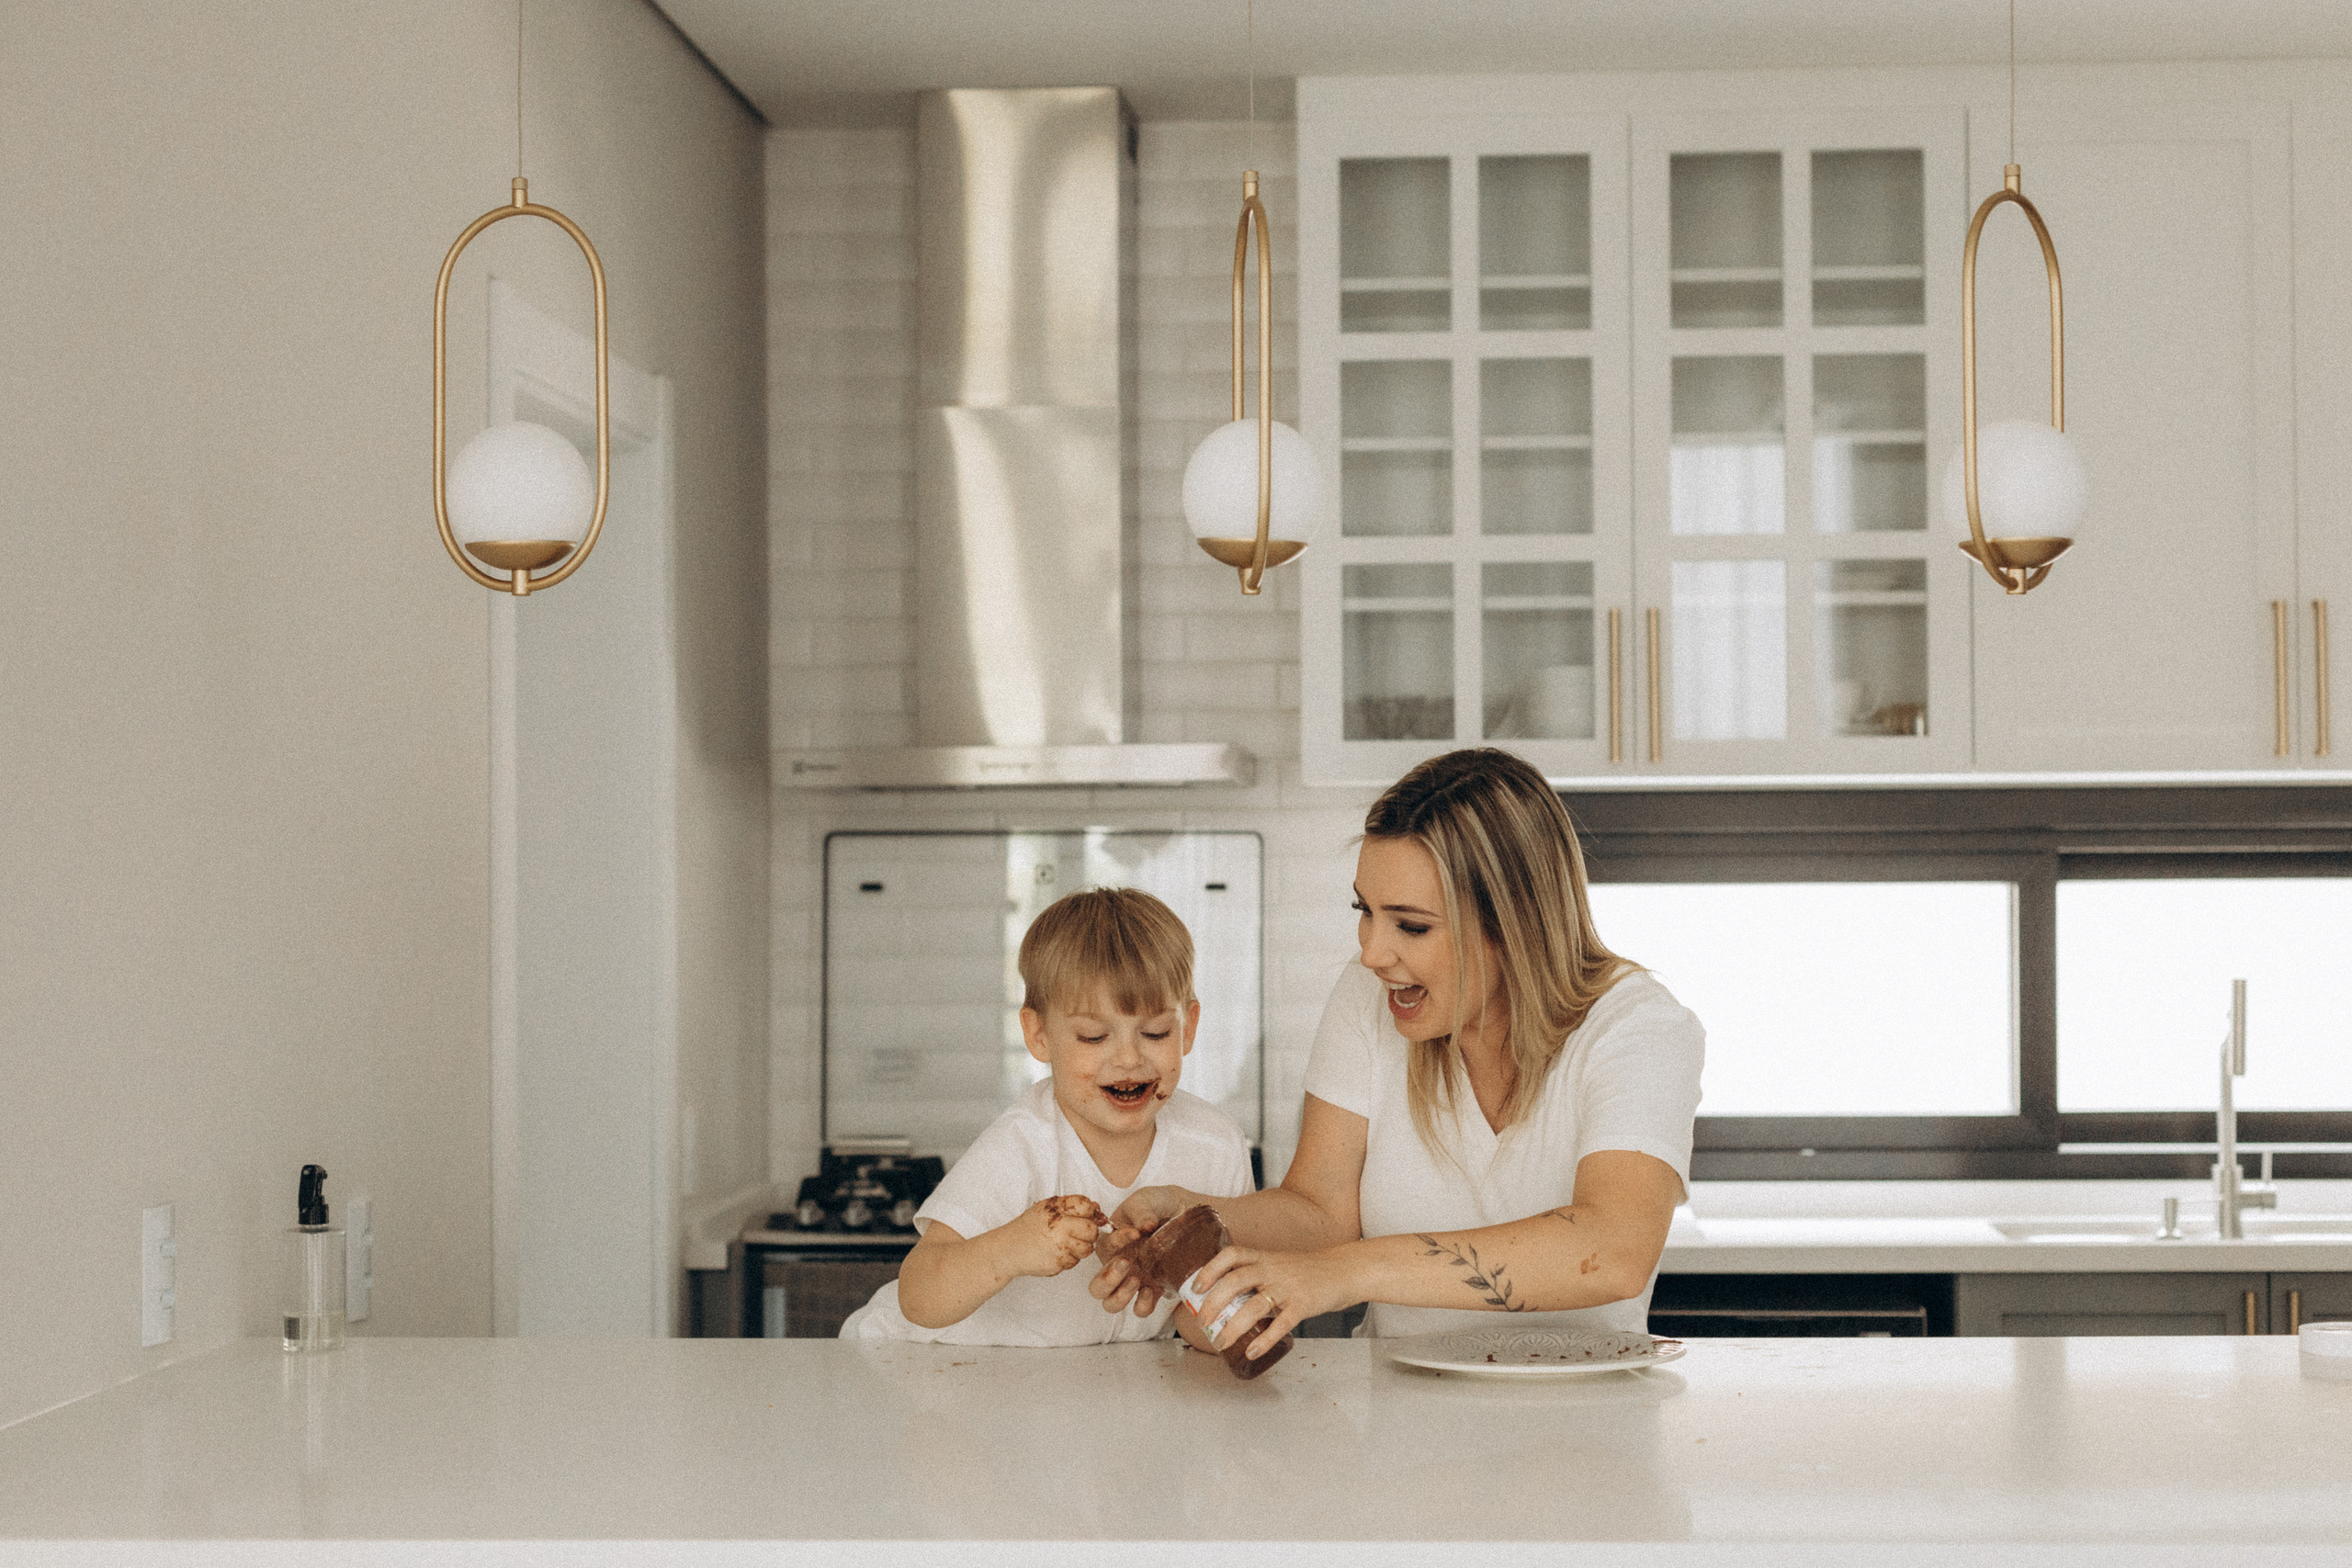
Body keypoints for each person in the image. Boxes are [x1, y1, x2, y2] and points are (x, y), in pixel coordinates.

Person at [1093, 748, 1704, 1362]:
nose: (1373, 953)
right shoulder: (1369, 1000)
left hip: (1588, 1428)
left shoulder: (1638, 1029)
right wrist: (1199, 1214)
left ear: (1515, 924)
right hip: (1400, 1413)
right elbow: (1321, 1210)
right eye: (1366, 911)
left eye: (1411, 926)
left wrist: (1346, 1272)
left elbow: (1614, 1249)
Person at [840, 886, 1256, 1347]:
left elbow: (1203, 1320)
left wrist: (1198, 1290)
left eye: (1155, 1032)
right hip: (921, 1367)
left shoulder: (1216, 1146)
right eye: (1094, 1037)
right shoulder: (1022, 1143)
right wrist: (1012, 1249)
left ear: (1188, 1027)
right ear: (1039, 1035)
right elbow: (918, 1296)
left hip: (1081, 1389)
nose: (1128, 1059)